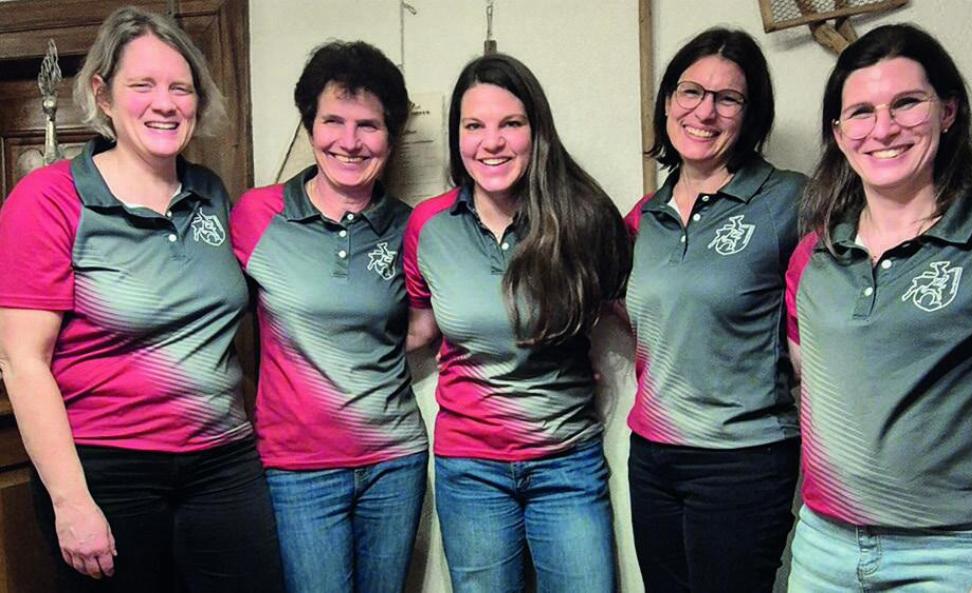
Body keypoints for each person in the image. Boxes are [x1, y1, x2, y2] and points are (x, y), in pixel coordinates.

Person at [785, 23, 972, 592]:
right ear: (840, 135)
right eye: (861, 112)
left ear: (947, 112)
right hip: (823, 548)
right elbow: (813, 378)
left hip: (955, 554)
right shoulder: (814, 254)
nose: (884, 129)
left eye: (906, 103)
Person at [0, 7, 283, 593]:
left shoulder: (208, 192)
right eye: (143, 85)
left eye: (181, 87)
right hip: (107, 468)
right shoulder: (48, 199)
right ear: (103, 95)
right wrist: (71, 502)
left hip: (223, 461)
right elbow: (21, 361)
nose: (165, 103)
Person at [402, 53, 630, 593]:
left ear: (537, 130)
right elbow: (420, 329)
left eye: (511, 123)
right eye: (473, 126)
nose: (491, 142)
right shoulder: (429, 226)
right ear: (457, 136)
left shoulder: (583, 218)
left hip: (566, 463)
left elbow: (641, 312)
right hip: (470, 470)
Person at [230, 40, 428, 593]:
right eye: (333, 121)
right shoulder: (256, 215)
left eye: (368, 125)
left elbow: (425, 324)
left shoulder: (412, 227)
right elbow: (209, 316)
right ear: (309, 125)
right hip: (296, 469)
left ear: (391, 135)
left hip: (395, 461)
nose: (349, 141)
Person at [622, 27, 804, 593]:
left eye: (728, 98)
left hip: (742, 460)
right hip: (652, 456)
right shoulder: (645, 216)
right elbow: (631, 309)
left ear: (751, 114)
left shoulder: (789, 199)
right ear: (667, 102)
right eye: (691, 92)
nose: (705, 111)